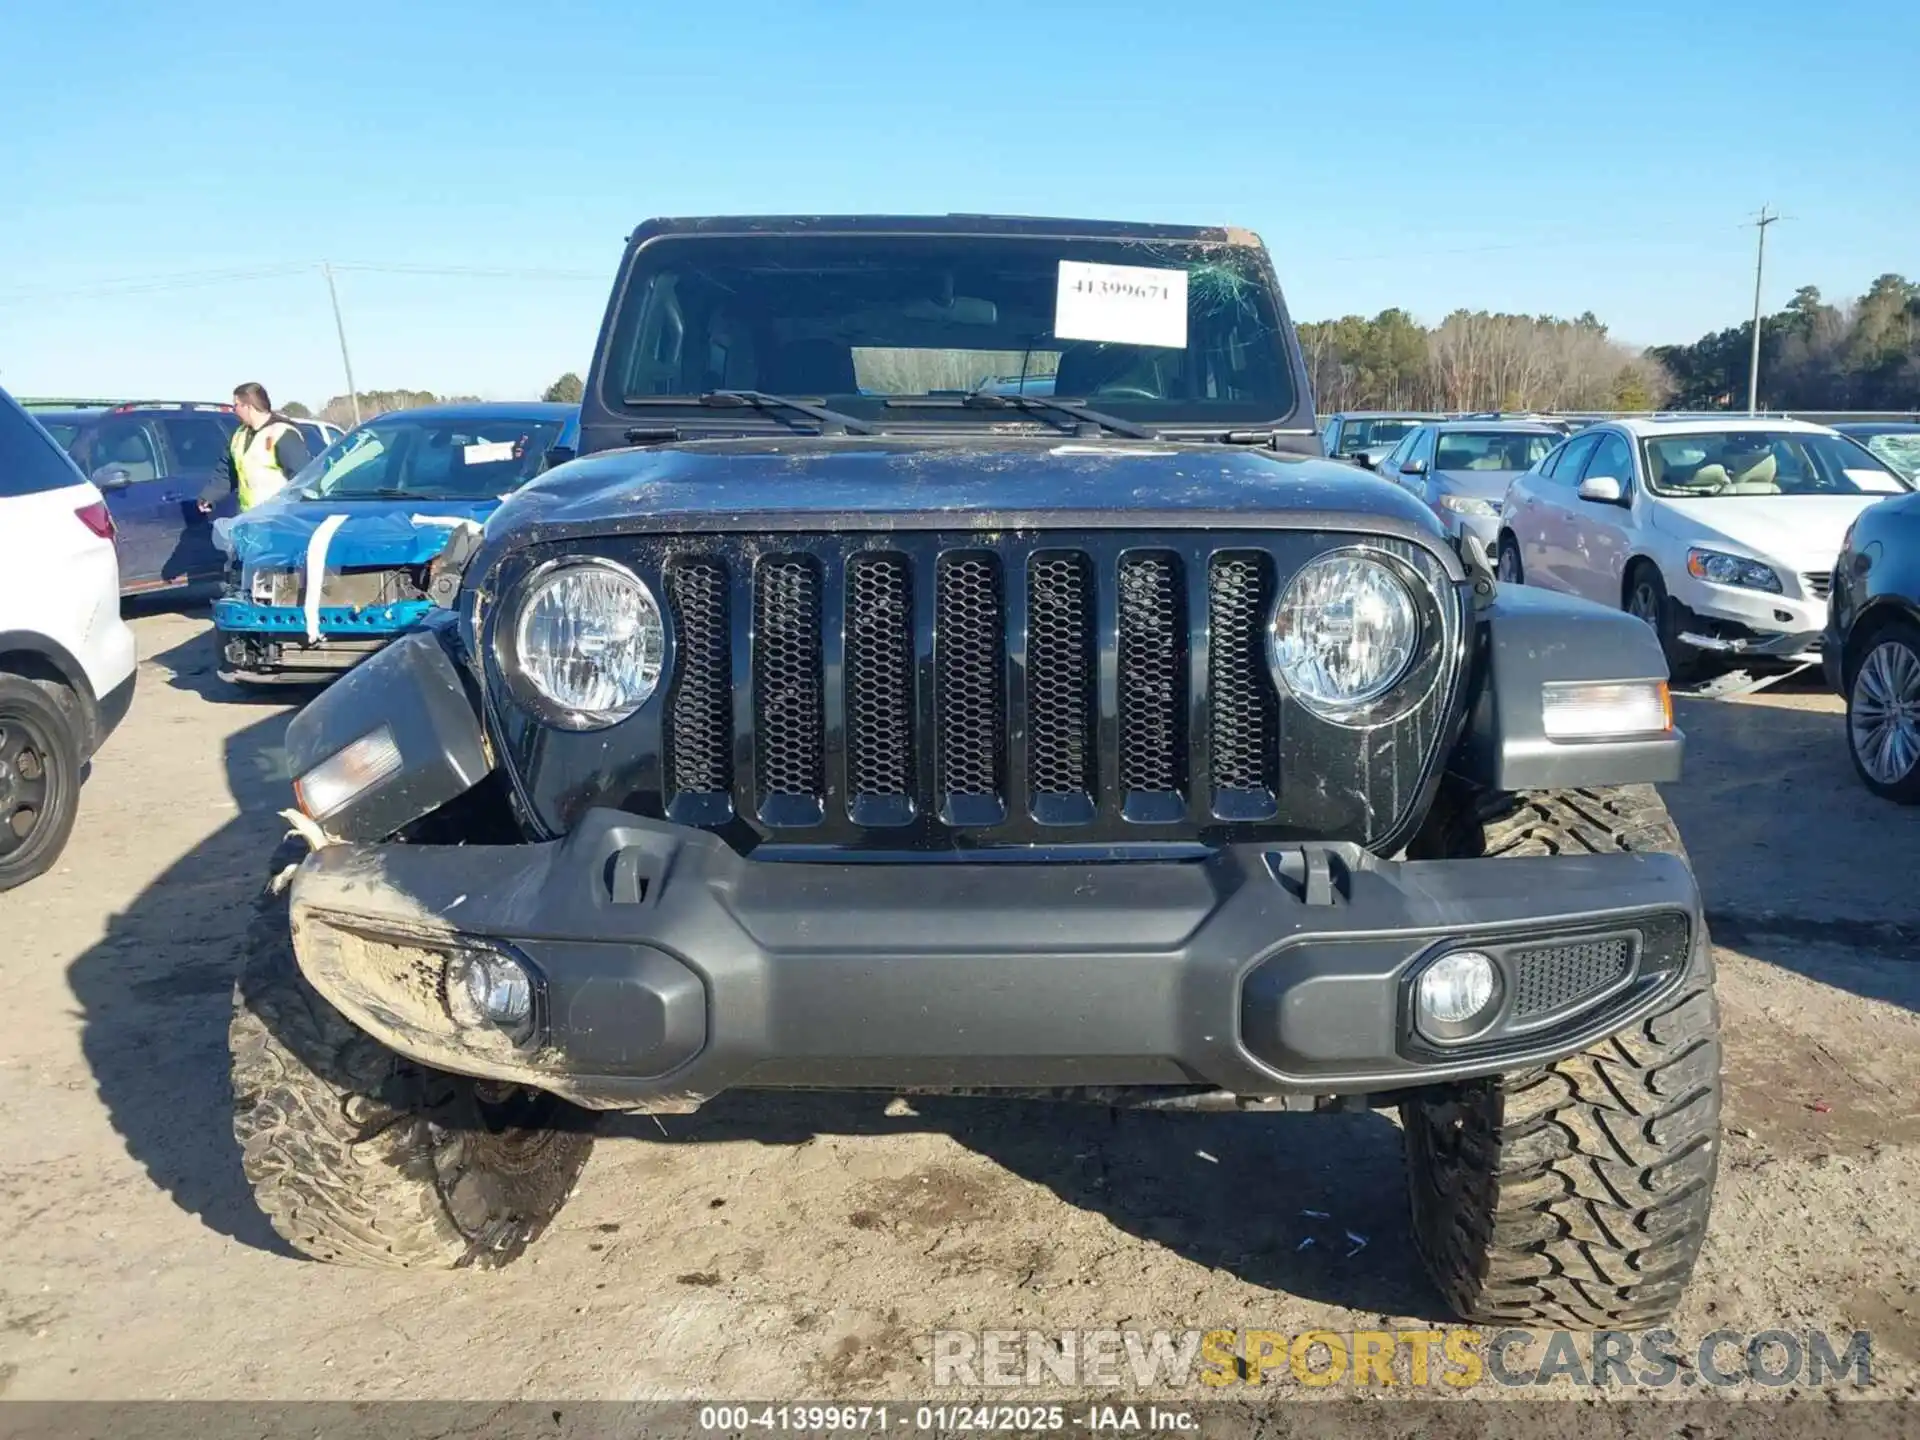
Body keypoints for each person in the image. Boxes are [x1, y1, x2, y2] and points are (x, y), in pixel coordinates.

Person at [197, 382, 311, 516]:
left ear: (249, 406)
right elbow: (226, 471)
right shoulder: (239, 435)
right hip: (248, 516)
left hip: (278, 517)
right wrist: (209, 496)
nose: (234, 410)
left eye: (236, 405)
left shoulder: (282, 433)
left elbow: (303, 477)